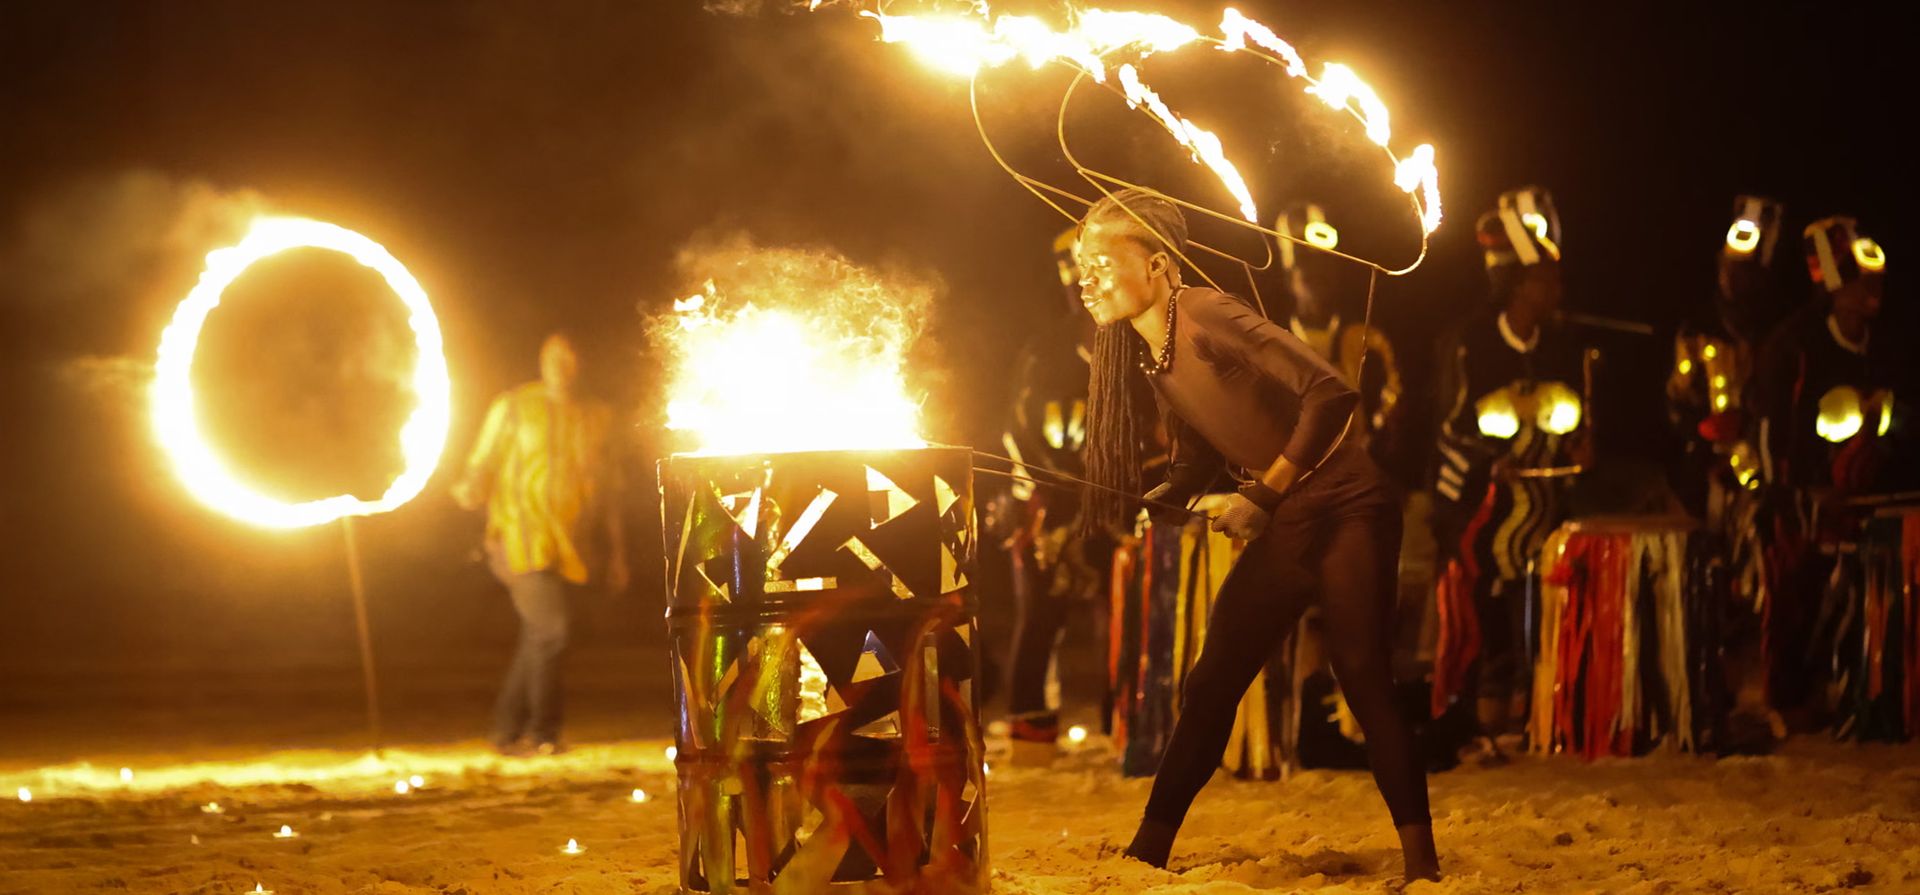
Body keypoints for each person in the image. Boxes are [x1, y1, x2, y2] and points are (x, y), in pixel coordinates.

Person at [1069, 188, 1437, 881]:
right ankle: (1147, 851)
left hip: (1347, 503)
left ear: (1157, 266)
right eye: (1081, 264)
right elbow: (1201, 444)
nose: (1086, 278)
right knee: (1213, 682)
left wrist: (1261, 495)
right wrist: (1175, 489)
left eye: (1102, 262)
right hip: (1292, 516)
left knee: (1362, 674)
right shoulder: (1153, 347)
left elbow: (1332, 392)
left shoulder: (1206, 312)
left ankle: (1422, 862)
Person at [1430, 187, 1588, 762]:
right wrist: (1489, 464)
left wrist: (1579, 445)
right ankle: (1476, 715)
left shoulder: (1562, 345)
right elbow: (1449, 427)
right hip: (1479, 507)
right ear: (1520, 284)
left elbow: (1574, 419)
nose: (1556, 290)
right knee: (1482, 603)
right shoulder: (1468, 343)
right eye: (1546, 279)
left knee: (1544, 599)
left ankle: (1538, 711)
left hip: (1545, 504)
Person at [452, 333, 628, 756]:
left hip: (571, 547)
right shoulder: (512, 408)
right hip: (518, 539)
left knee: (540, 635)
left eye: (570, 358)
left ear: (581, 364)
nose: (561, 367)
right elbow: (481, 464)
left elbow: (609, 491)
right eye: (554, 358)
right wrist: (471, 487)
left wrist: (618, 552)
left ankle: (505, 731)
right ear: (542, 361)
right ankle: (544, 732)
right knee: (552, 630)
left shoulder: (599, 418)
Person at [1750, 215, 1890, 719]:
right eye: (1859, 282)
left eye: (1876, 281)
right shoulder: (1794, 346)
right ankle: (1789, 701)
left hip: (1860, 498)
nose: (1871, 291)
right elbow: (1772, 429)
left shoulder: (1881, 345)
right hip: (1798, 501)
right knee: (1795, 596)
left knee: (1859, 593)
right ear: (1833, 287)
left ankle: (1849, 690)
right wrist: (1793, 492)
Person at [1665, 195, 1789, 750]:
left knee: (1763, 586)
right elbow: (1677, 402)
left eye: (1747, 270)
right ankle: (1709, 698)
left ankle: (1758, 700)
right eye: (1729, 267)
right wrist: (1705, 433)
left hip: (1766, 476)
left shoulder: (1780, 335)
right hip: (1709, 477)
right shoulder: (1697, 328)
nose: (1735, 278)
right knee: (1709, 583)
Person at [991, 225, 1109, 761]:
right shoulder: (1047, 350)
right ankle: (1030, 732)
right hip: (1041, 504)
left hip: (1103, 501)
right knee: (1040, 615)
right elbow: (1017, 428)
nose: (1081, 290)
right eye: (1074, 280)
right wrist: (1049, 483)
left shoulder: (1123, 344)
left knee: (1116, 607)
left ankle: (1120, 720)